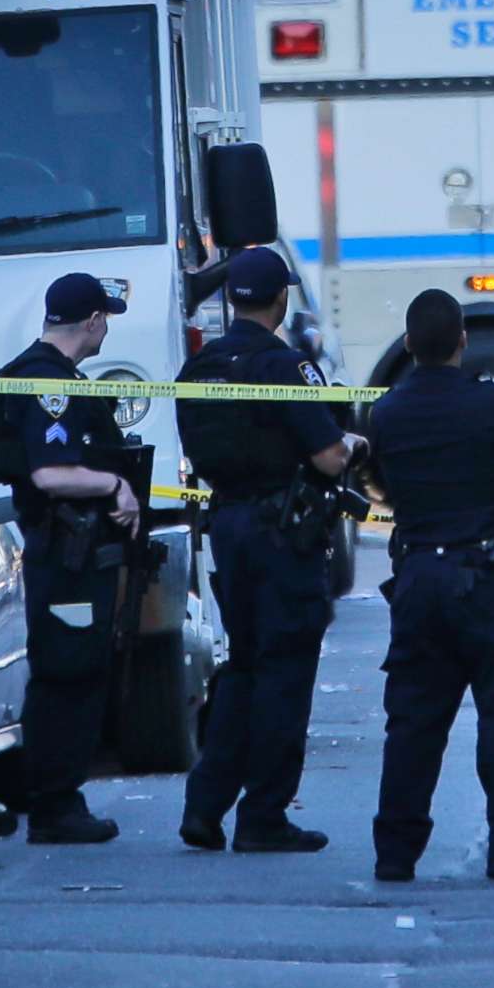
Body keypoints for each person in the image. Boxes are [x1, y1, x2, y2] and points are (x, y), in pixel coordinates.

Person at [364, 290, 494, 883]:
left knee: (413, 722)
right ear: (462, 340)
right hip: (487, 579)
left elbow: (381, 482)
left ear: (408, 345)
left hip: (417, 581)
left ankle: (395, 852)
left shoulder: (386, 412)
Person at [177, 248, 364, 854]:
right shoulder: (285, 365)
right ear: (281, 299)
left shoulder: (197, 371)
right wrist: (355, 443)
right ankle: (264, 814)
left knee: (243, 669)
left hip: (228, 525)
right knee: (285, 673)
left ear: (232, 298)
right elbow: (329, 456)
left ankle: (205, 806)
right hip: (284, 534)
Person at [0, 273, 145, 844]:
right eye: (108, 319)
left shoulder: (35, 375)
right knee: (70, 673)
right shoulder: (49, 385)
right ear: (94, 321)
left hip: (63, 551)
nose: (108, 330)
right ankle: (56, 805)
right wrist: (113, 487)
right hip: (66, 553)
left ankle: (54, 795)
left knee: (69, 669)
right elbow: (50, 472)